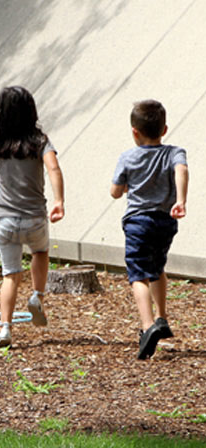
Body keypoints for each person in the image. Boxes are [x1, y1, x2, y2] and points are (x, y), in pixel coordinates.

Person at [0, 86, 65, 347]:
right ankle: (37, 295)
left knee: (10, 275)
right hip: (34, 217)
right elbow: (54, 168)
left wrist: (0, 197)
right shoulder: (40, 141)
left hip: (5, 219)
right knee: (40, 252)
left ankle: (5, 328)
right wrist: (59, 200)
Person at [110, 99, 188, 360]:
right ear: (164, 129)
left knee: (138, 274)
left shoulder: (127, 157)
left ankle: (147, 327)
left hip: (138, 223)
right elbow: (182, 170)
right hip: (165, 222)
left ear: (134, 131)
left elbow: (115, 193)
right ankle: (162, 317)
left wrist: (124, 186)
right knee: (157, 268)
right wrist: (180, 200)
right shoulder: (175, 152)